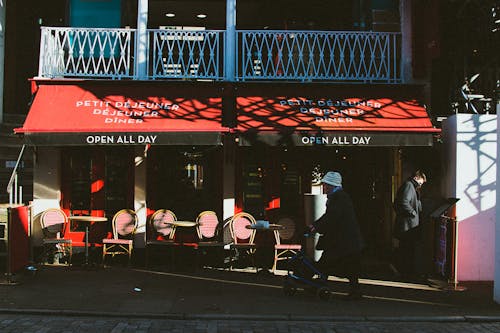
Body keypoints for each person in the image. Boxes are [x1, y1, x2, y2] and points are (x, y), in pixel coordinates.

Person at [310, 171, 365, 300]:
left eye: (325, 185)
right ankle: (354, 290)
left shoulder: (339, 198)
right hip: (347, 240)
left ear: (331, 186)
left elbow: (332, 217)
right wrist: (317, 225)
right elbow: (330, 217)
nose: (323, 187)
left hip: (343, 240)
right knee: (349, 267)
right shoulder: (340, 197)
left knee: (328, 261)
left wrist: (316, 226)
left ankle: (320, 284)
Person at [393, 170, 427, 280]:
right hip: (408, 225)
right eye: (421, 182)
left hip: (408, 224)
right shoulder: (409, 186)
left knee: (407, 249)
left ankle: (406, 272)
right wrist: (413, 212)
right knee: (407, 249)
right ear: (416, 178)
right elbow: (403, 202)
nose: (421, 185)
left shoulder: (410, 186)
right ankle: (406, 273)